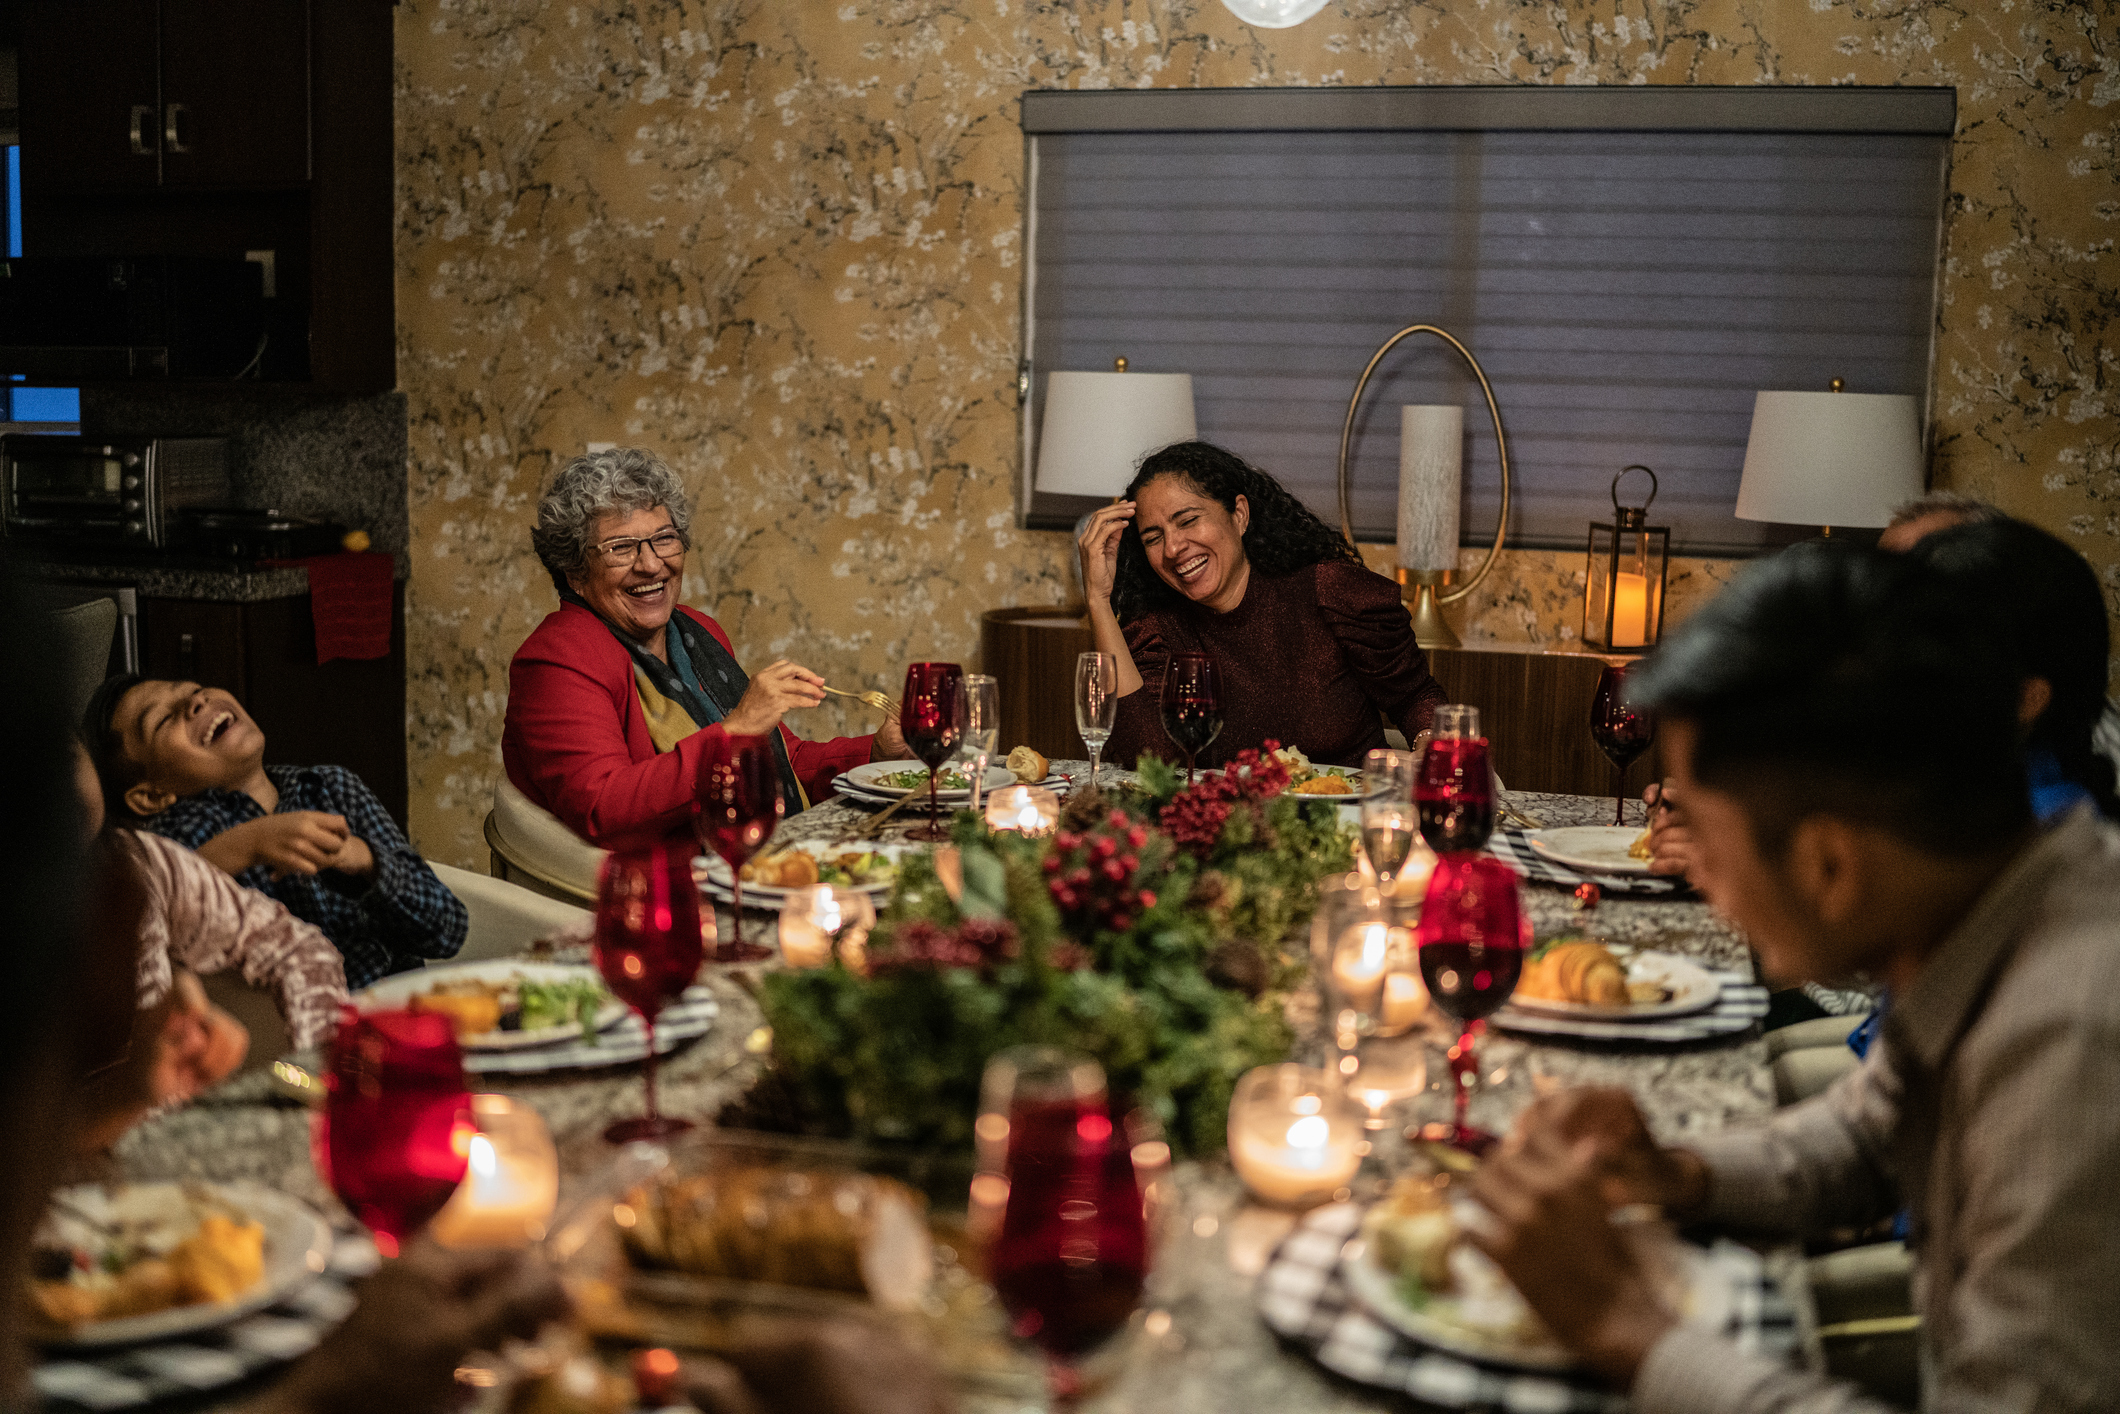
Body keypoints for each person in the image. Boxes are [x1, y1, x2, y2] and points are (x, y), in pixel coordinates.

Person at [1466, 542, 2120, 1411]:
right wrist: (1671, 1172)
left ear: (1827, 867)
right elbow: (1869, 1134)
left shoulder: (2074, 1042)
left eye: (1704, 832)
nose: (1704, 880)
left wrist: (1626, 1328)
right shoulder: (1997, 906)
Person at [504, 447, 908, 846]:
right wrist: (734, 732)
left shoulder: (697, 629)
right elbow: (604, 806)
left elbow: (777, 759)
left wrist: (875, 751)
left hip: (766, 853)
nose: (650, 564)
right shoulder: (556, 659)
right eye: (621, 548)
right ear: (574, 570)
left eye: (664, 538)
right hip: (674, 887)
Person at [82, 674, 467, 991]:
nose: (195, 703)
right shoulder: (177, 836)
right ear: (151, 795)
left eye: (195, 690)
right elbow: (159, 916)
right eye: (164, 721)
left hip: (405, 1015)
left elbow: (447, 931)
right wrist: (248, 844)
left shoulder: (331, 787)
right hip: (293, 1050)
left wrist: (364, 859)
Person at [1078, 440, 1445, 769]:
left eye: (1188, 520)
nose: (1173, 549)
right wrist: (1098, 599)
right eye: (1153, 538)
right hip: (1231, 832)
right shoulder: (1158, 629)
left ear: (1239, 515)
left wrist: (1429, 744)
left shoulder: (1328, 591)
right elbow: (1149, 756)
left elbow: (1414, 696)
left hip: (1349, 819)